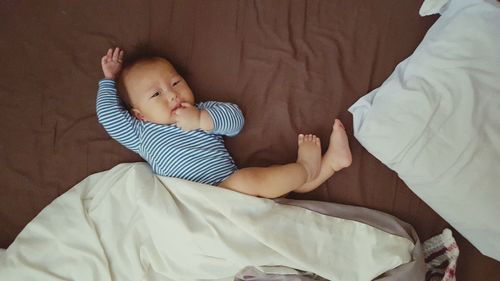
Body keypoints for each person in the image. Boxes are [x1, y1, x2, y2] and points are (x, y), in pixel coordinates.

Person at [97, 46, 352, 198]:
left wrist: (200, 119)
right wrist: (110, 79)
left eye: (175, 83)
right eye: (156, 94)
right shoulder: (142, 132)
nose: (172, 94)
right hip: (194, 206)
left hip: (229, 192)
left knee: (265, 185)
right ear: (139, 114)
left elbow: (235, 120)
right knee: (273, 189)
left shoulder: (202, 111)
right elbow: (109, 116)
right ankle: (310, 168)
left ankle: (328, 164)